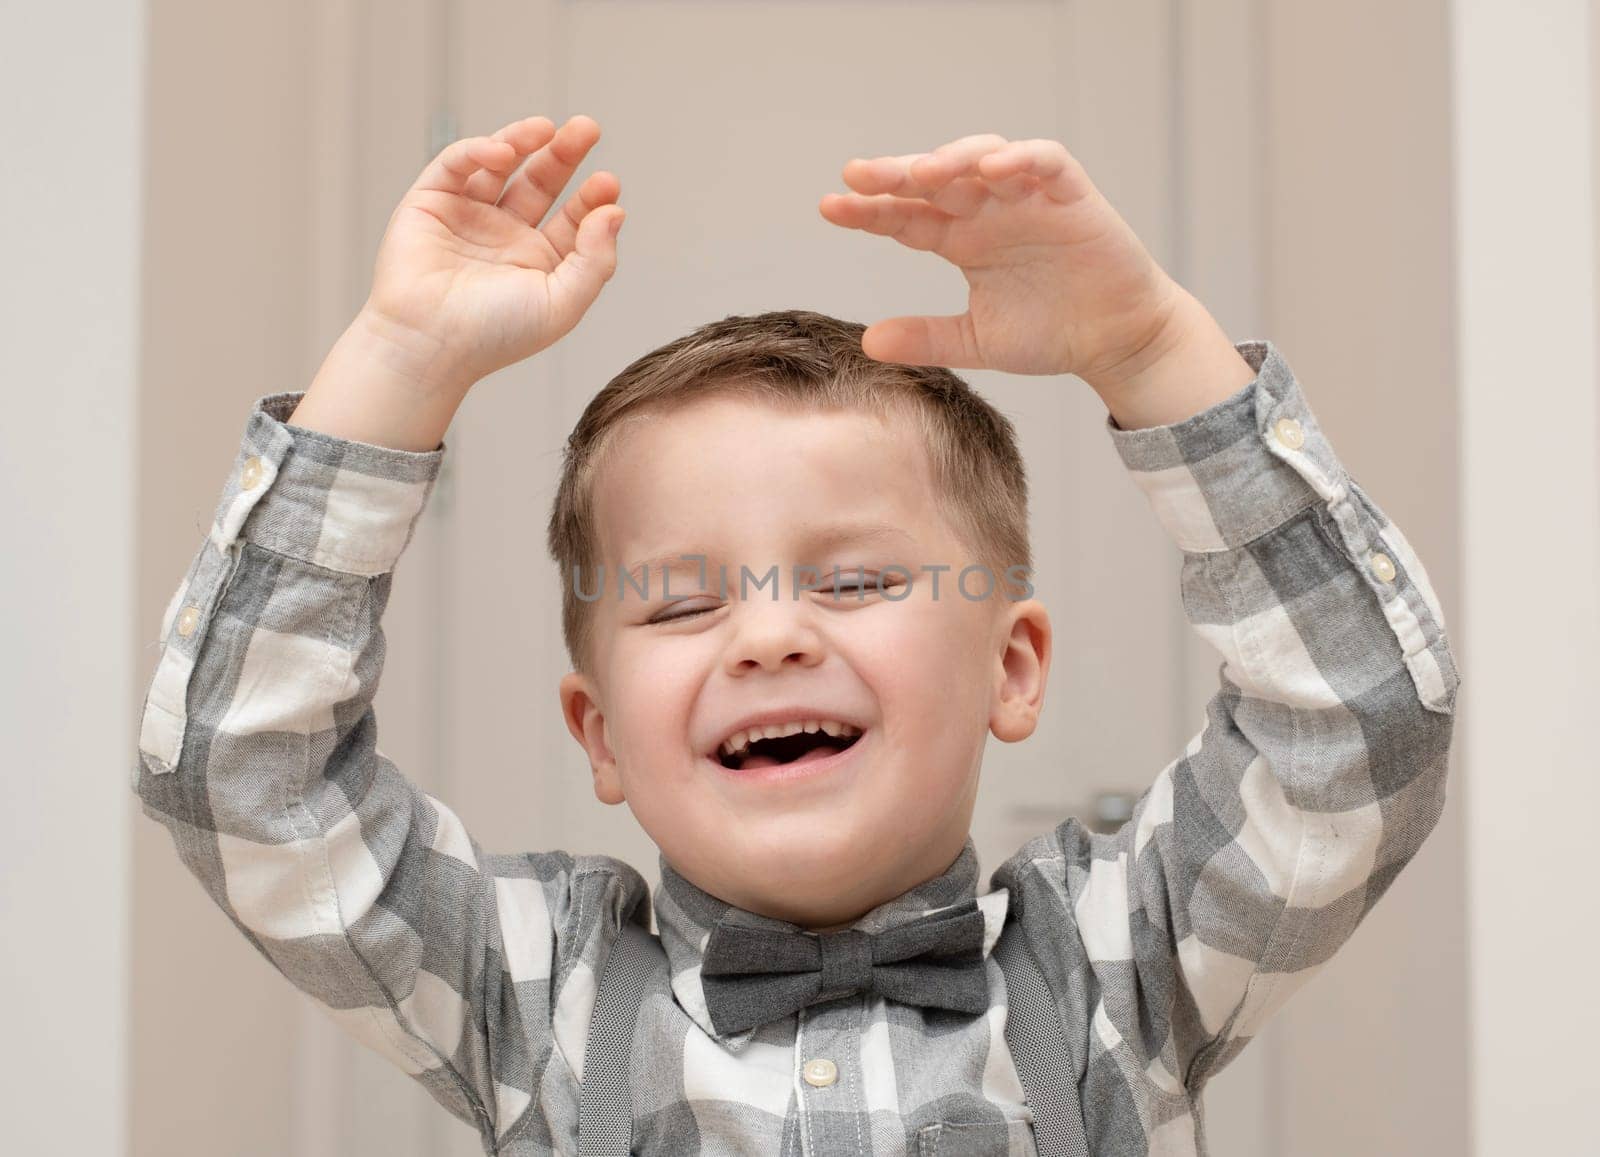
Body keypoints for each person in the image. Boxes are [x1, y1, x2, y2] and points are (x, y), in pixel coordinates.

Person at [133, 113, 1459, 1155]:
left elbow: (1358, 724)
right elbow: (242, 775)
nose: (767, 636)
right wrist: (399, 366)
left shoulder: (1126, 962)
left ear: (1012, 667)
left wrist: (1155, 348)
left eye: (861, 583)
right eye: (681, 600)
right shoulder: (530, 989)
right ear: (598, 730)